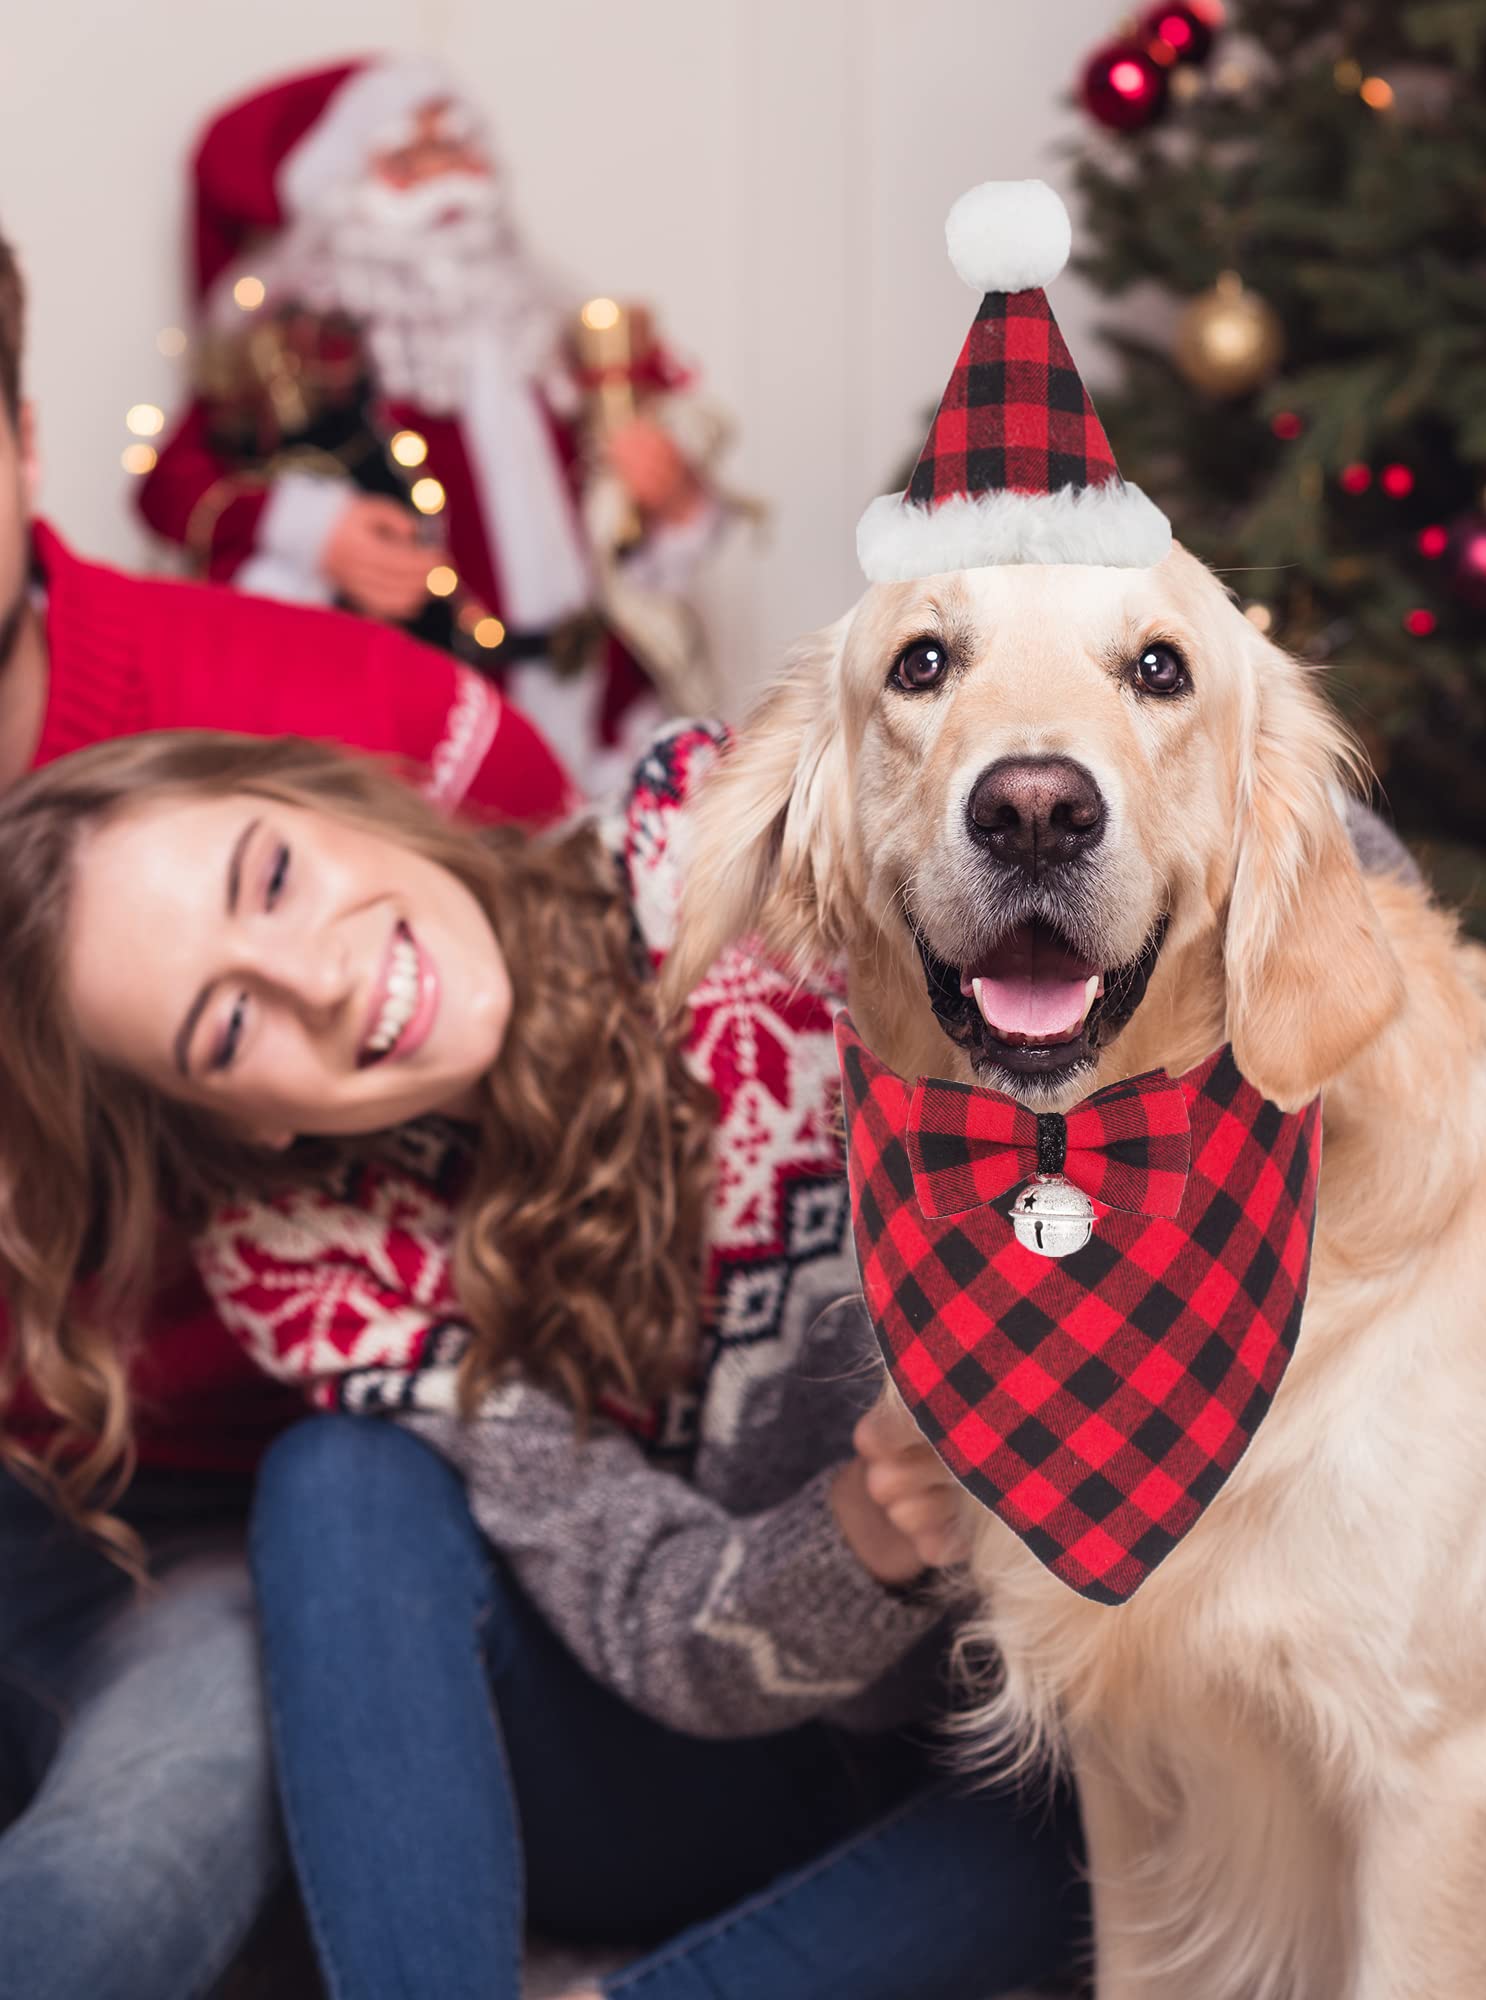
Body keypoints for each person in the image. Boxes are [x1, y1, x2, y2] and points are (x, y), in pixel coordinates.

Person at [0, 724, 1089, 1999]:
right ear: (240, 1116)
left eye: (276, 876)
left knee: (1084, 1822)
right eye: (232, 1023)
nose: (324, 978)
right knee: (336, 1480)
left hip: (1036, 1708)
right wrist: (860, 1531)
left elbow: (1199, 868)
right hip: (697, 1763)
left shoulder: (718, 840)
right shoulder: (312, 1257)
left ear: (341, 801)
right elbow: (655, 1612)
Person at [0, 220, 574, 2000]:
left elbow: (601, 1092)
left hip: (265, 1514)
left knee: (130, 1849)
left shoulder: (352, 722)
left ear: (19, 440)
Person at [138, 57, 739, 787]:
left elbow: (638, 513)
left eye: (457, 148)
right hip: (430, 731)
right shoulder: (298, 353)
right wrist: (313, 529)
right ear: (337, 196)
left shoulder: (545, 328)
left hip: (601, 705)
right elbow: (170, 488)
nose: (446, 178)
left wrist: (668, 495)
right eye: (407, 161)